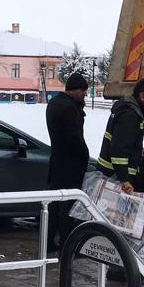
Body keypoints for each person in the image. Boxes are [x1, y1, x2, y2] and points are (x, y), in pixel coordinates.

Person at [45, 73, 90, 251]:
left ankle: (49, 242)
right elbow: (74, 138)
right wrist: (84, 154)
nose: (85, 95)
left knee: (55, 205)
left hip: (57, 162)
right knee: (68, 207)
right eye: (84, 91)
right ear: (75, 90)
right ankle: (67, 244)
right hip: (70, 165)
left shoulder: (54, 103)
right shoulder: (70, 108)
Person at [97, 77, 144, 193]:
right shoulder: (130, 116)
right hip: (114, 177)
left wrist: (136, 149)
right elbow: (118, 150)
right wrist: (125, 179)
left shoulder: (129, 110)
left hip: (111, 173)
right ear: (143, 96)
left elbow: (123, 142)